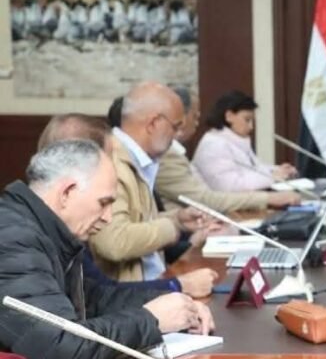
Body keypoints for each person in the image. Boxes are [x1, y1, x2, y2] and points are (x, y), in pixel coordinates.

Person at [0, 140, 215, 359]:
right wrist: (152, 320)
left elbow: (94, 300)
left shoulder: (43, 229)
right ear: (66, 193)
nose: (108, 218)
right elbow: (57, 350)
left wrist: (175, 305)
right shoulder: (13, 238)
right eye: (103, 203)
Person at [37, 113, 214, 293]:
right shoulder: (42, 238)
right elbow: (103, 293)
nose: (107, 217)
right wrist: (177, 285)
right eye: (107, 159)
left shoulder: (59, 227)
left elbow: (97, 294)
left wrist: (178, 225)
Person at [89, 82, 218, 296]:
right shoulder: (111, 162)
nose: (176, 136)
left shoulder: (136, 158)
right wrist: (173, 227)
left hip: (155, 284)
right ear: (153, 123)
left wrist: (177, 219)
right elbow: (114, 241)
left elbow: (135, 220)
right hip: (135, 297)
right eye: (175, 127)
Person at [156, 87, 300, 211]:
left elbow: (253, 167)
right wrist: (270, 189)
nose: (197, 123)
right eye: (195, 117)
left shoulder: (237, 140)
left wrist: (275, 170)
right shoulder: (210, 145)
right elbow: (221, 189)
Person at [192, 90, 297, 192]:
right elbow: (228, 186)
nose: (251, 127)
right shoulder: (214, 145)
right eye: (247, 120)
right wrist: (272, 177)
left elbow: (254, 168)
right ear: (229, 116)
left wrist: (278, 170)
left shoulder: (234, 140)